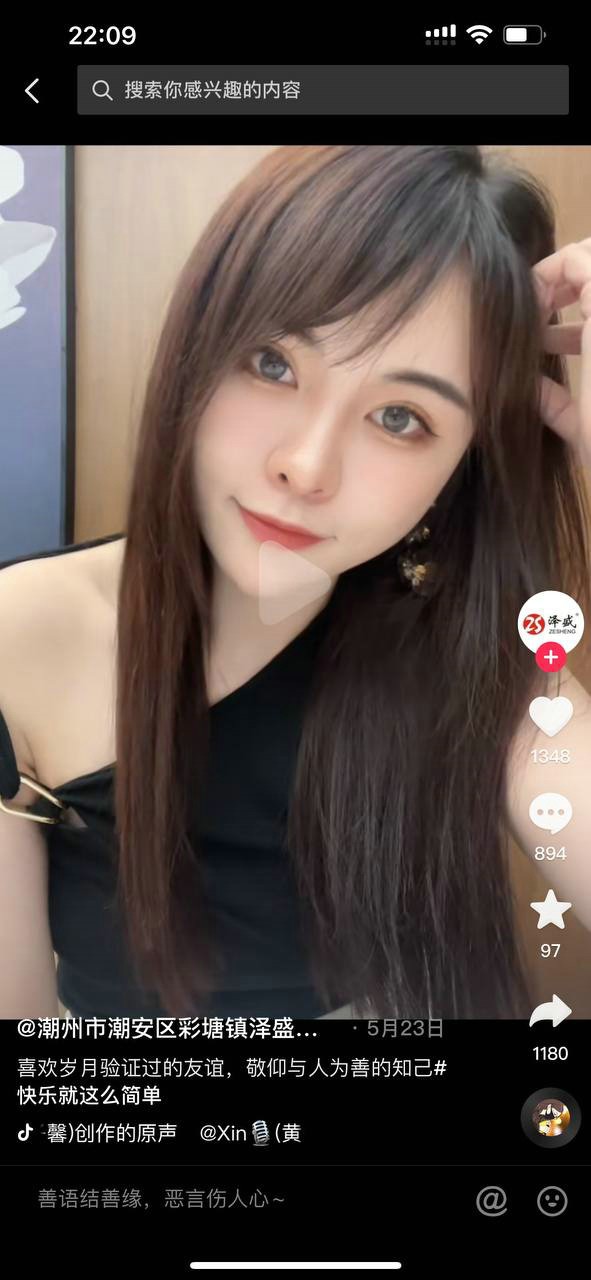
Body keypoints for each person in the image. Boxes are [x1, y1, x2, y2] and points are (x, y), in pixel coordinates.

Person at [1, 143, 590, 1021]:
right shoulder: (23, 633)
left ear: (459, 469)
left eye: (400, 417)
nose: (306, 467)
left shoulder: (481, 665)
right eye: (273, 364)